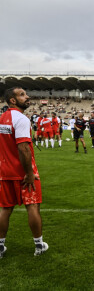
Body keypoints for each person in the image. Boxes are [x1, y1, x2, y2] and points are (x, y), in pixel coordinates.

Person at [0, 87, 48, 258]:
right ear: (13, 100)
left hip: (5, 171)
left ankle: (0, 246)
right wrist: (29, 173)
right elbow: (23, 148)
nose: (27, 97)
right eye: (22, 95)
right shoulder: (20, 118)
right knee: (33, 206)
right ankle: (39, 245)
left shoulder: (2, 118)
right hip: (23, 172)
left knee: (5, 209)